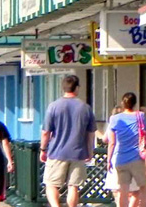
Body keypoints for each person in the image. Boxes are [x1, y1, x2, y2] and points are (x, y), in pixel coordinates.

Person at [40, 75, 96, 207]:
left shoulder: (53, 106)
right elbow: (90, 133)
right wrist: (90, 151)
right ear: (76, 88)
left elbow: (46, 132)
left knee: (51, 184)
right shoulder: (85, 108)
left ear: (63, 88)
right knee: (73, 185)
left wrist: (43, 149)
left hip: (56, 152)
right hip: (78, 152)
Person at [107, 93, 146, 207]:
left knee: (123, 191)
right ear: (135, 103)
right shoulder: (140, 116)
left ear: (123, 103)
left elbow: (111, 142)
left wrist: (109, 160)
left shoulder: (114, 119)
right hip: (137, 158)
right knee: (145, 188)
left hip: (120, 159)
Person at [99, 106, 140, 206]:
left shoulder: (113, 123)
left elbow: (107, 140)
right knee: (135, 190)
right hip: (133, 157)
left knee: (119, 190)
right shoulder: (133, 123)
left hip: (117, 157)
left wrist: (108, 160)